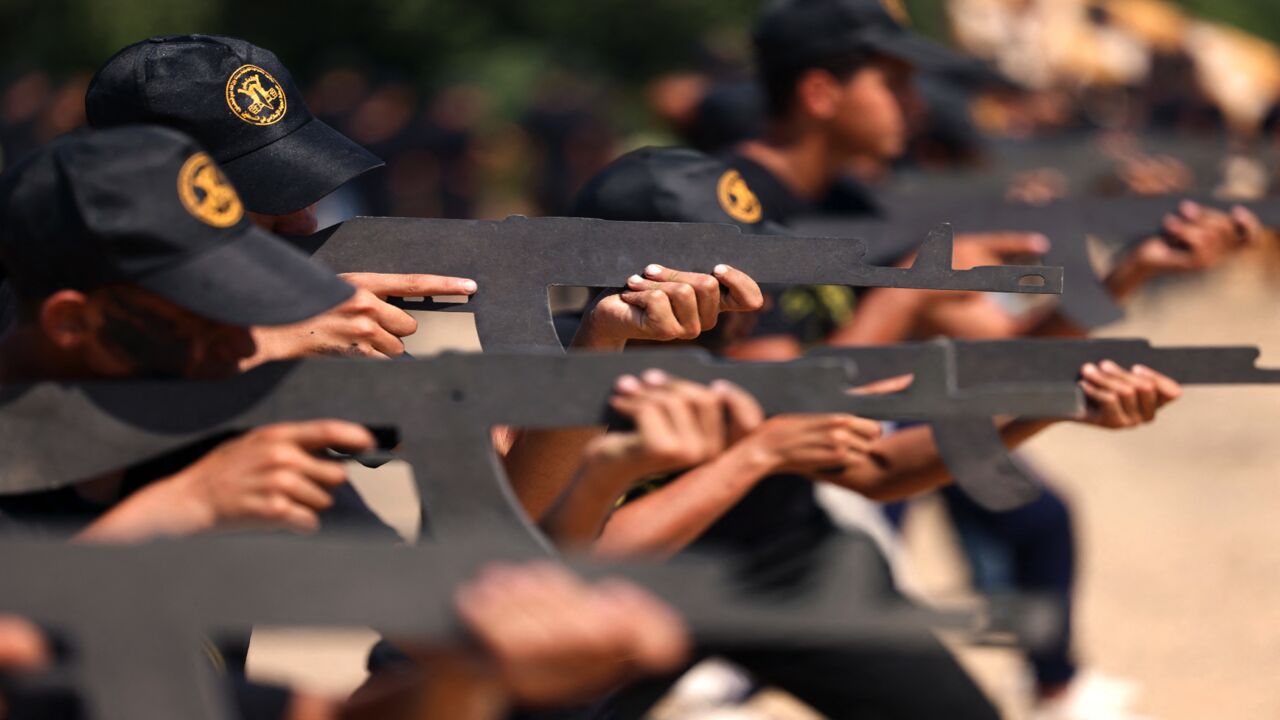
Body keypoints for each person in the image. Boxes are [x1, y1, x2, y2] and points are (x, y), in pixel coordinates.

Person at [559, 145, 1184, 719]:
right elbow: (569, 564)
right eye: (736, 279)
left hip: (784, 563)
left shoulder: (729, 359)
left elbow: (879, 465)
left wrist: (1048, 403)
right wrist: (756, 454)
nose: (759, 299)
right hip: (622, 603)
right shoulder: (551, 376)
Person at [83, 35, 767, 521]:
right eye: (257, 200)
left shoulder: (305, 317)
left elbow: (514, 508)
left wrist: (600, 343)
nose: (302, 220)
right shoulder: (44, 302)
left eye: (299, 186)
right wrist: (259, 347)